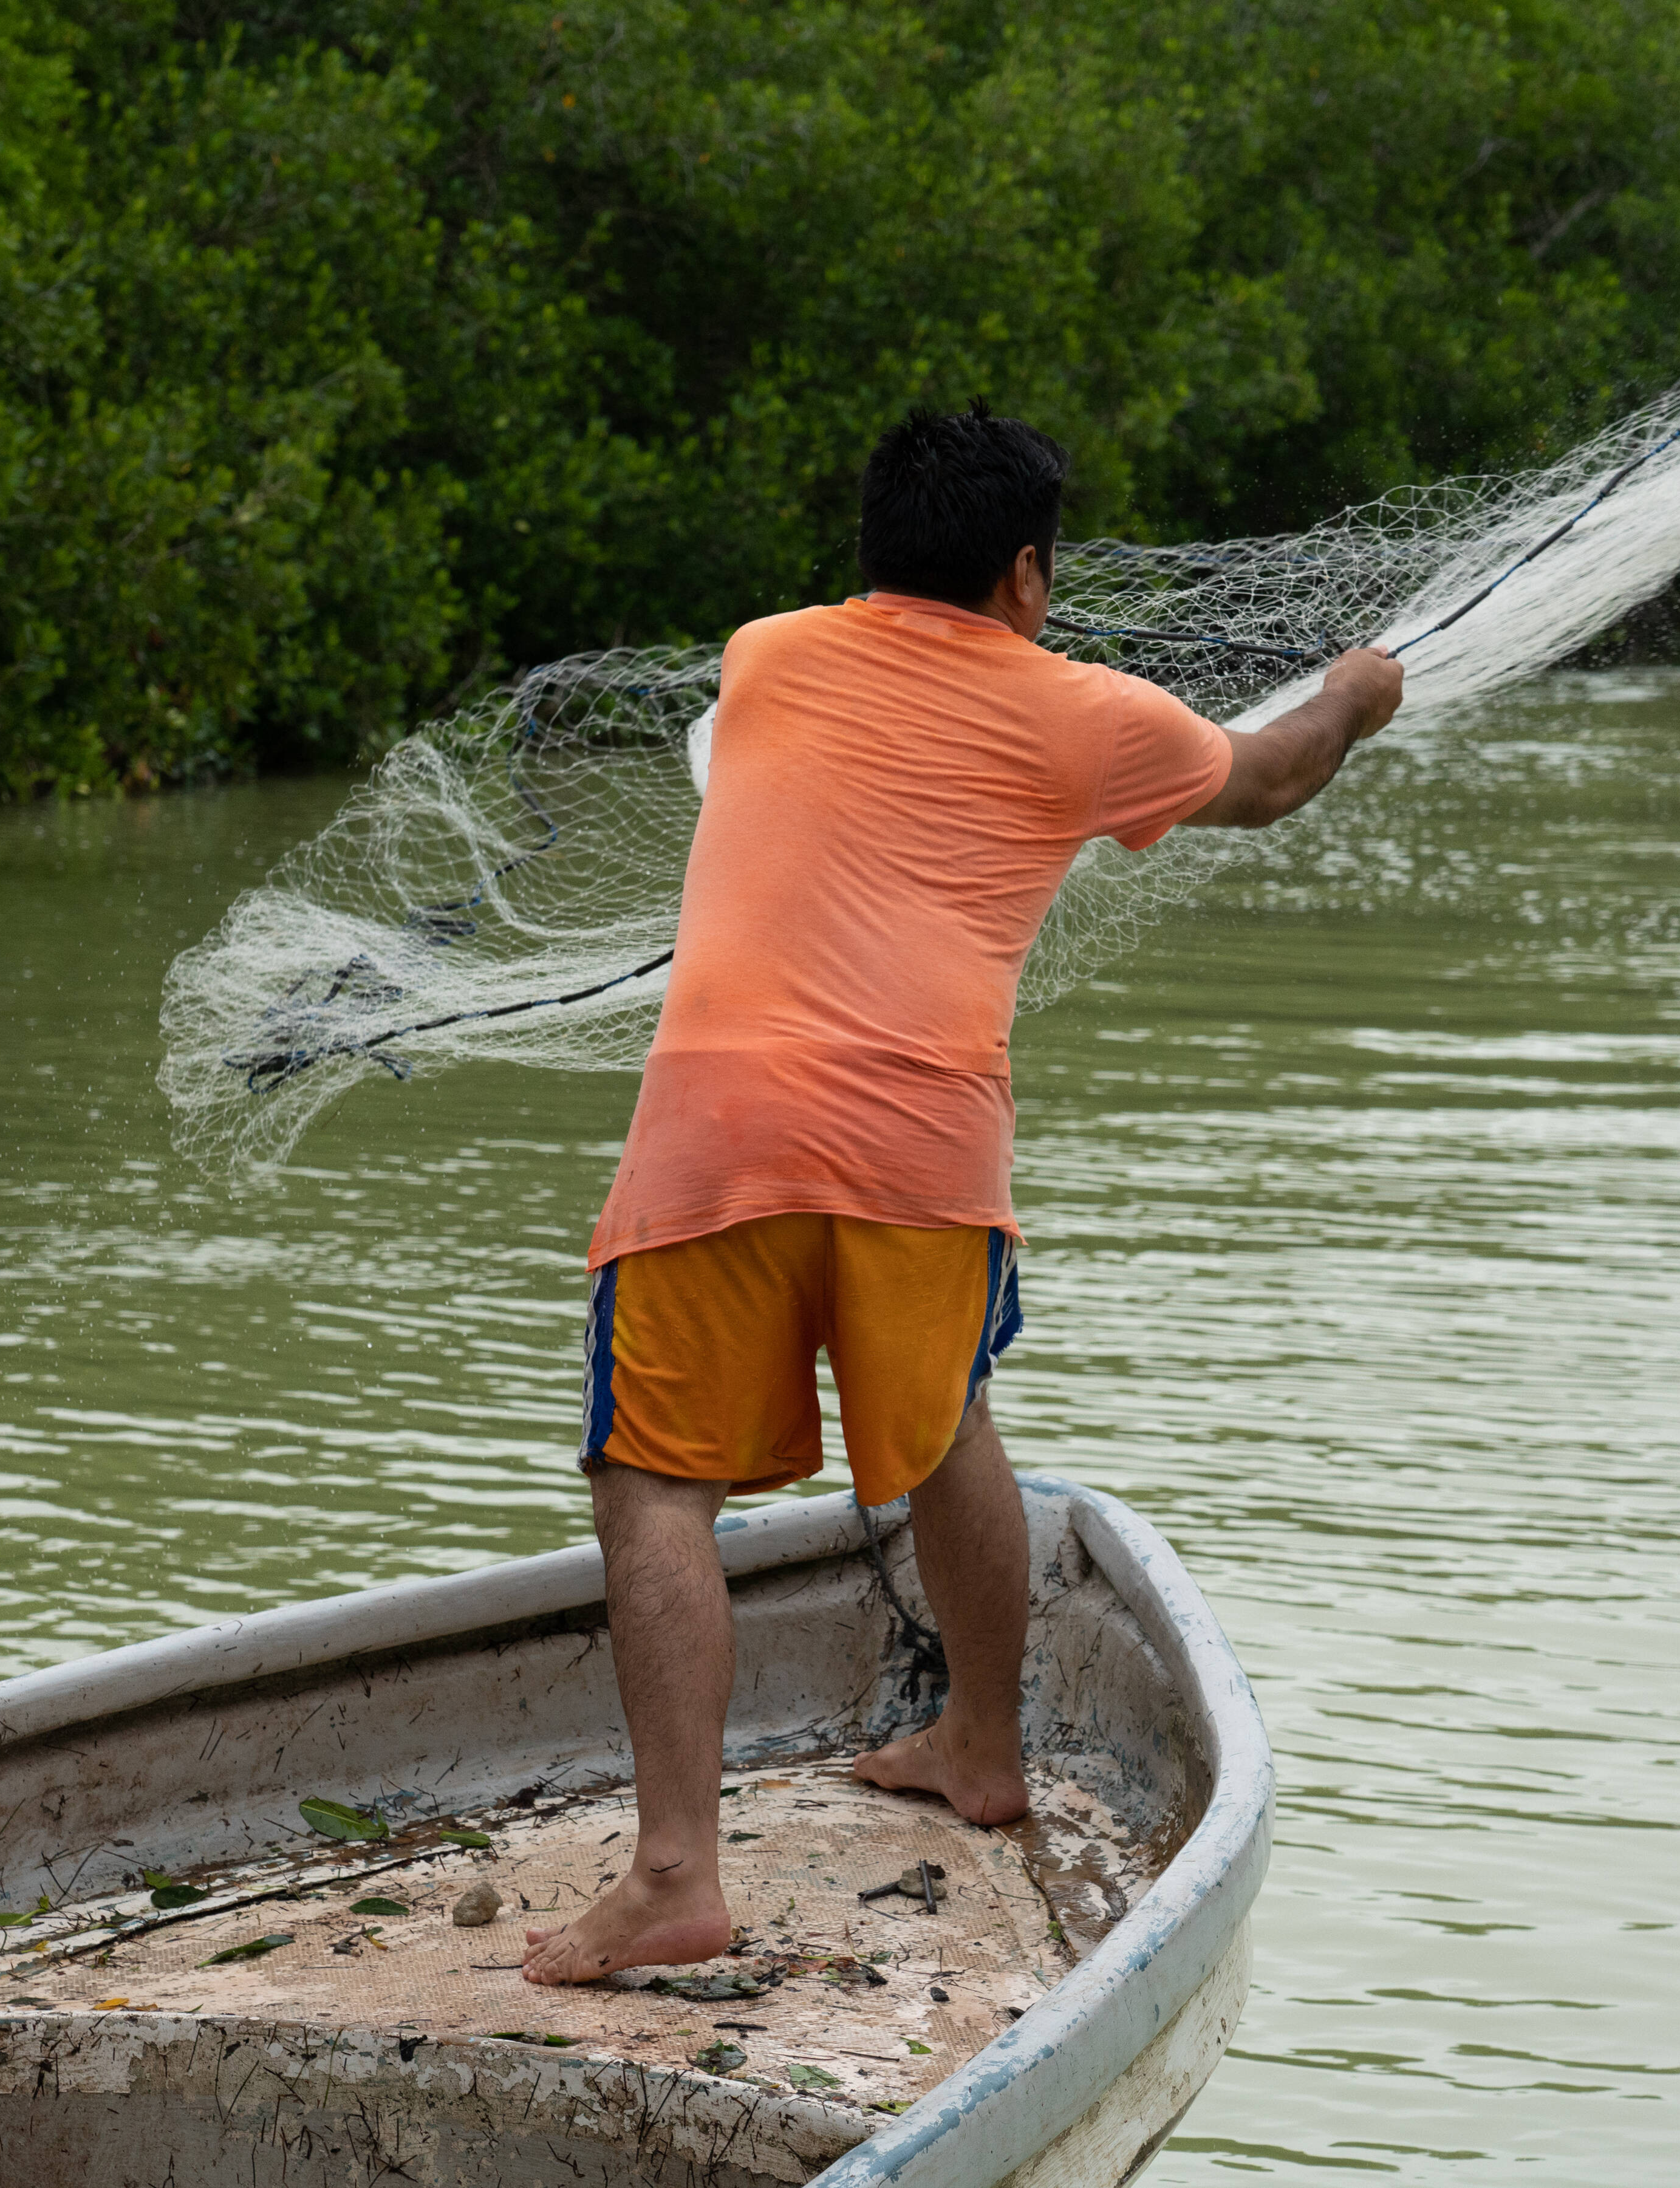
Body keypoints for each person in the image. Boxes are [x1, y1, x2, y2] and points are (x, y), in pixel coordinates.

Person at [522, 405, 1402, 1985]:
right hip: (922, 1151)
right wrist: (1355, 694)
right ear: (1026, 574)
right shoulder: (1095, 717)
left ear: (869, 549)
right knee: (947, 1429)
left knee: (654, 1487)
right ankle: (984, 1746)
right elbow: (1273, 781)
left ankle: (673, 1874)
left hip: (715, 1134)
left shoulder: (764, 656)